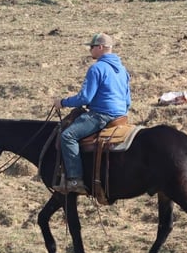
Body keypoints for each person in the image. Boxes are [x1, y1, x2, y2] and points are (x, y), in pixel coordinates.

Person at [51, 33, 131, 194]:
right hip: (121, 117)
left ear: (100, 47)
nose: (90, 50)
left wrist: (63, 102)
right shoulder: (123, 70)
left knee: (68, 136)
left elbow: (85, 97)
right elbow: (128, 99)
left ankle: (75, 180)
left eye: (92, 47)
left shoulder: (96, 68)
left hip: (101, 115)